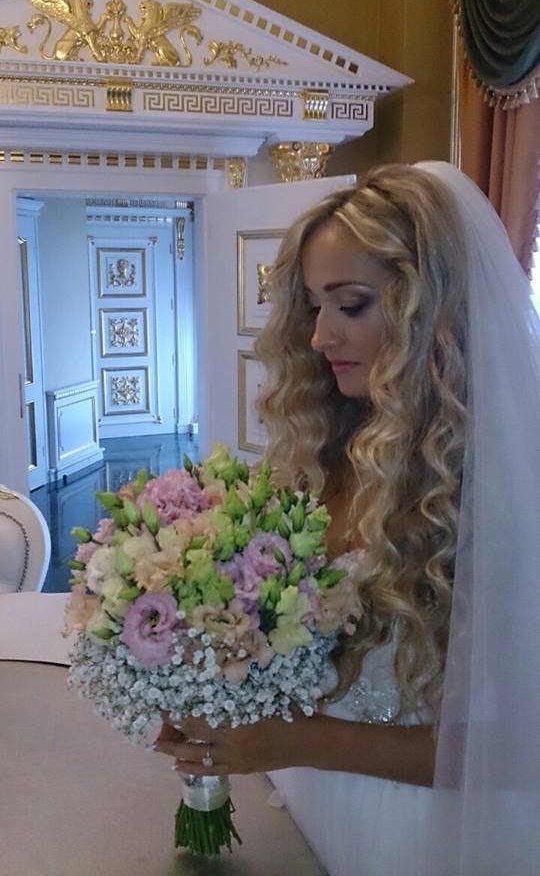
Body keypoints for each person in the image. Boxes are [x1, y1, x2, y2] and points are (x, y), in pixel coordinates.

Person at [154, 162, 540, 876]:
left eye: (352, 305)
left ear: (434, 308)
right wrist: (205, 689)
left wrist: (299, 740)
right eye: (312, 307)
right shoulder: (324, 455)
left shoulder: (501, 487)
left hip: (421, 836)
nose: (320, 336)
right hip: (307, 803)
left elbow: (519, 750)